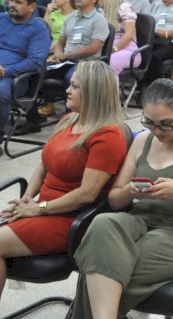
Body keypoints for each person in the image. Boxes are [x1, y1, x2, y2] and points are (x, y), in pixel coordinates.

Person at [68, 78, 173, 318]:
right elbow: (115, 200)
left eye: (166, 124)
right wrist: (130, 191)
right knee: (102, 224)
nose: (157, 131)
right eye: (150, 123)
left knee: (98, 270)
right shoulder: (142, 141)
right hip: (139, 221)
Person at [0, 61, 127, 299]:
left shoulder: (108, 136)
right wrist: (28, 197)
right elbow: (44, 163)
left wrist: (39, 208)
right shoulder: (70, 119)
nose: (68, 90)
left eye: (76, 87)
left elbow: (87, 194)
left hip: (70, 218)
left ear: (94, 93)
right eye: (70, 85)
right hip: (43, 208)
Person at [0, 0, 51, 139]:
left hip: (14, 78)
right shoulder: (2, 19)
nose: (12, 5)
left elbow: (35, 62)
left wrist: (5, 71)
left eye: (18, 2)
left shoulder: (38, 29)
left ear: (32, 6)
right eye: (11, 0)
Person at [48, 0, 110, 85]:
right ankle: (47, 101)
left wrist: (66, 55)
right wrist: (58, 54)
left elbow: (93, 48)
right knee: (37, 73)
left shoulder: (99, 20)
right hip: (66, 61)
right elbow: (60, 42)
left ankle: (73, 101)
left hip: (87, 64)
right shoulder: (69, 18)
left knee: (72, 78)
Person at [100, 0, 140, 87]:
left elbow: (129, 34)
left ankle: (112, 101)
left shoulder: (124, 8)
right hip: (108, 50)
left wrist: (113, 49)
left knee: (110, 63)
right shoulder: (101, 11)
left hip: (128, 50)